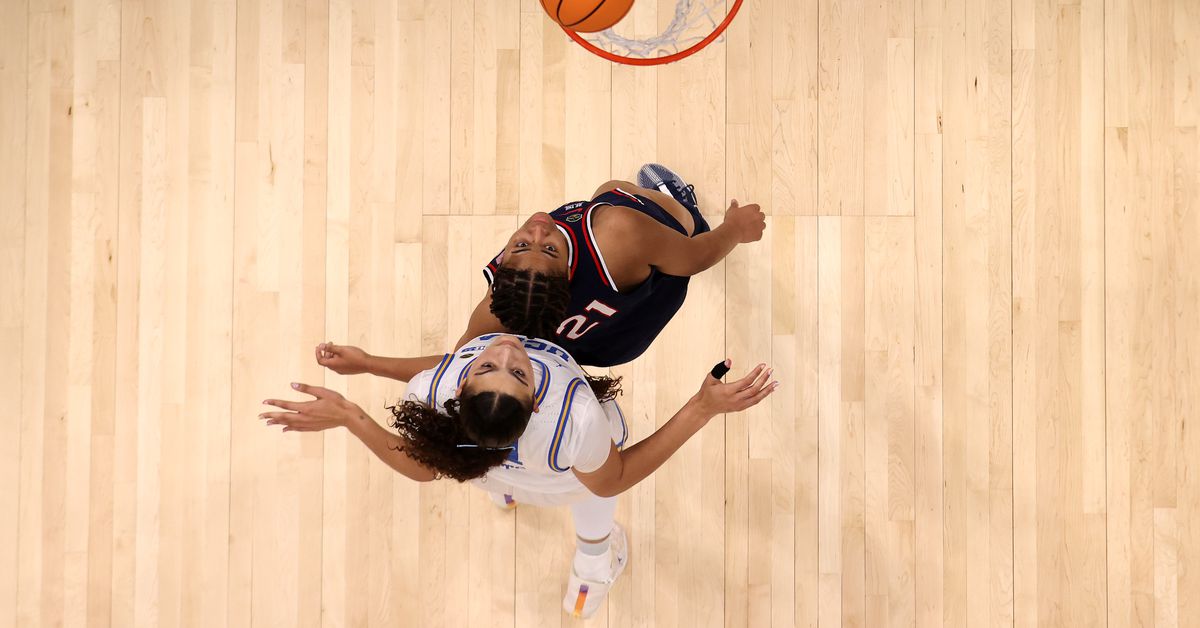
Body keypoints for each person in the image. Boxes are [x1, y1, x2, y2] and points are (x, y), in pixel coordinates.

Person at [261, 333, 778, 618]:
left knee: (486, 468)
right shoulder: (575, 418)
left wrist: (362, 392)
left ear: (459, 388)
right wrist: (701, 408)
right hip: (564, 478)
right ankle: (590, 576)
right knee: (595, 513)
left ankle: (507, 499)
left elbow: (420, 463)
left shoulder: (435, 394)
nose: (507, 353)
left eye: (493, 368)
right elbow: (614, 478)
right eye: (513, 372)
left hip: (489, 470)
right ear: (534, 403)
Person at [312, 164, 767, 377]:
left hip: (611, 346)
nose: (537, 228)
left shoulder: (502, 307)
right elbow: (695, 258)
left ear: (503, 266)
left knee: (607, 194)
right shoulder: (615, 233)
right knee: (614, 190)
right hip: (657, 289)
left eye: (521, 246)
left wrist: (369, 363)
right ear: (570, 269)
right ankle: (683, 206)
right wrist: (732, 229)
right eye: (547, 248)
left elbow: (455, 367)